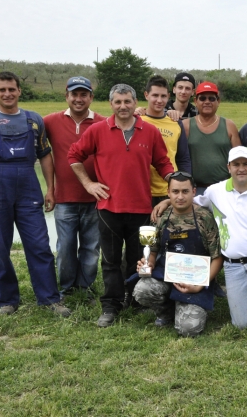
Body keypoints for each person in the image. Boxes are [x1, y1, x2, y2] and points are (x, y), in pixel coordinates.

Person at [154, 146, 247, 345]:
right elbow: (186, 198)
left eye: (245, 164)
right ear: (228, 167)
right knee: (241, 324)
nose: (241, 169)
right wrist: (167, 202)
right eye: (236, 164)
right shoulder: (215, 191)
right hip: (233, 265)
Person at [0, 71, 70, 317]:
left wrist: (50, 189)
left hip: (28, 188)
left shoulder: (34, 120)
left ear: (19, 90)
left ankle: (50, 299)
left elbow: (45, 155)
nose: (7, 94)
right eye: (2, 90)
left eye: (11, 89)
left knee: (39, 245)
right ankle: (7, 301)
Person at [68, 83, 175, 327]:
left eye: (127, 101)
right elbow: (74, 156)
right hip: (109, 209)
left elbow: (163, 162)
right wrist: (88, 184)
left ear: (135, 102)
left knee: (140, 257)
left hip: (141, 209)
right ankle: (111, 305)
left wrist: (176, 182)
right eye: (118, 102)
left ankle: (136, 300)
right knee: (111, 260)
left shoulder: (149, 131)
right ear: (111, 104)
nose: (123, 106)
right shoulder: (97, 130)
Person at [132, 172, 222, 337]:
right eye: (175, 191)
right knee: (142, 290)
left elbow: (217, 257)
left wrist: (201, 285)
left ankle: (188, 308)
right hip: (167, 274)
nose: (180, 196)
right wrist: (149, 263)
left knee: (189, 329)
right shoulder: (161, 217)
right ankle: (166, 311)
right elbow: (153, 249)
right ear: (168, 193)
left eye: (185, 191)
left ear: (194, 192)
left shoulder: (205, 218)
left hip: (196, 280)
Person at [43, 77, 106, 301]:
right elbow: (25, 124)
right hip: (65, 198)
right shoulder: (50, 121)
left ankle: (85, 287)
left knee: (91, 247)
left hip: (96, 198)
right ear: (66, 96)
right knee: (66, 246)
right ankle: (67, 287)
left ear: (91, 97)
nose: (79, 99)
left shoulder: (104, 122)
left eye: (83, 95)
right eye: (74, 94)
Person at [181, 81, 241, 194]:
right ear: (195, 101)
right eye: (202, 98)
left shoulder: (229, 125)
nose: (207, 102)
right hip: (195, 189)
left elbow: (239, 158)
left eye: (211, 99)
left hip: (224, 189)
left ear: (218, 101)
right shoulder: (186, 126)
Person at [141, 75, 192, 206]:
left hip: (169, 191)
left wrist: (185, 183)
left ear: (168, 96)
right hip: (142, 190)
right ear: (146, 95)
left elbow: (183, 158)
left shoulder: (175, 122)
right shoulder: (137, 120)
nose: (159, 100)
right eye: (155, 95)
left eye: (163, 96)